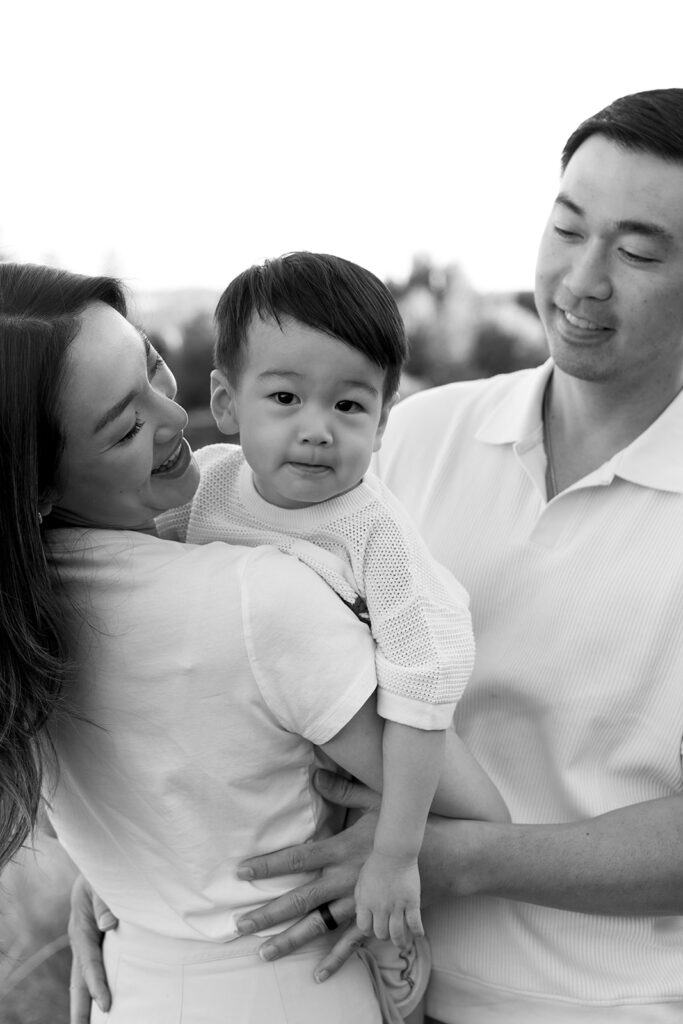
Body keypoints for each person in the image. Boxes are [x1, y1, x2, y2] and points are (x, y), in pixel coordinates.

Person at [160, 87, 683, 1023]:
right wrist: (137, 884)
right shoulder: (416, 432)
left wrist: (442, 857)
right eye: (566, 228)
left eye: (638, 251)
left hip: (605, 1006)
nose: (581, 280)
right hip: (365, 986)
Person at [0, 262, 505, 1024]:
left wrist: (117, 877)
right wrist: (388, 849)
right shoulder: (257, 597)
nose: (172, 417)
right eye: (127, 426)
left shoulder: (22, 613)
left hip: (126, 983)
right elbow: (477, 813)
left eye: (153, 367)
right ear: (36, 482)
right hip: (283, 984)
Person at [157, 251, 492, 952]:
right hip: (252, 745)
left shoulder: (377, 535)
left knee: (378, 892)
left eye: (347, 405)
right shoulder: (208, 488)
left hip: (376, 748)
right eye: (285, 399)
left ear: (380, 421)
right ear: (225, 403)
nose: (317, 428)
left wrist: (397, 854)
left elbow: (420, 695)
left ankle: (397, 956)